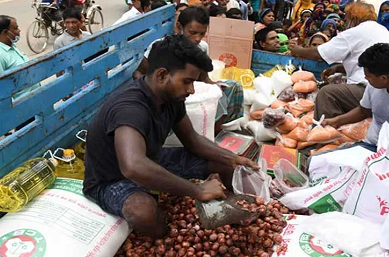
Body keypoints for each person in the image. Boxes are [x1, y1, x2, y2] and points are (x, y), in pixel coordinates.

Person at [83, 34, 258, 238]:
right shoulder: (130, 108)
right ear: (162, 75)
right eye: (187, 81)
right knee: (144, 212)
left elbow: (192, 140)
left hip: (152, 159)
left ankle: (232, 216)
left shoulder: (171, 98)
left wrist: (232, 157)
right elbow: (133, 166)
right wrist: (196, 190)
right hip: (111, 178)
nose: (191, 90)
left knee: (227, 165)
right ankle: (165, 237)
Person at [289, 1, 389, 119]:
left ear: (353, 18)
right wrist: (339, 67)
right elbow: (371, 62)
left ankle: (325, 132)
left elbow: (319, 53)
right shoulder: (381, 29)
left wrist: (298, 50)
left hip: (375, 89)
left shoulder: (356, 31)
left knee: (327, 94)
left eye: (347, 18)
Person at [0, 15, 39, 99]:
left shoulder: (11, 46)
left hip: (36, 95)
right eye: (16, 28)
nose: (19, 31)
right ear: (5, 32)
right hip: (24, 103)